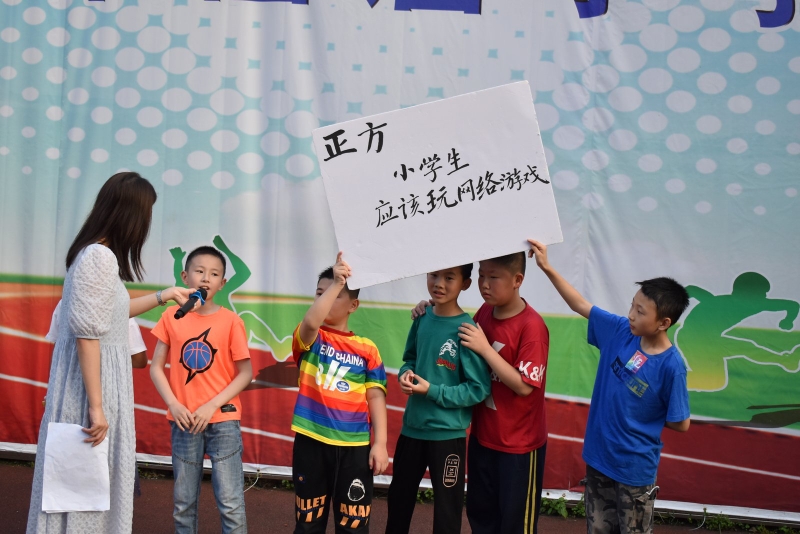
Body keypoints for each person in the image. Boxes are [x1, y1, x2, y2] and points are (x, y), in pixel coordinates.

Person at [27, 172, 196, 534]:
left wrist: (164, 295)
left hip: (96, 387)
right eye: (146, 213)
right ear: (131, 214)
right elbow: (88, 335)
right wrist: (96, 407)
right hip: (91, 389)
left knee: (84, 487)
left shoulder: (95, 255)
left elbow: (110, 315)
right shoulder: (98, 257)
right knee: (83, 488)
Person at [528, 239, 691, 534]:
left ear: (663, 322)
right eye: (632, 305)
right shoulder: (620, 331)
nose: (631, 314)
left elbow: (681, 423)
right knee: (599, 529)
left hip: (634, 470)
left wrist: (646, 413)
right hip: (599, 457)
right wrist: (547, 267)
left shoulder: (672, 366)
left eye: (641, 311)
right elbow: (580, 304)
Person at [413, 251, 550, 534]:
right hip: (482, 439)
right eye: (481, 275)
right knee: (481, 517)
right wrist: (429, 309)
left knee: (515, 525)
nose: (485, 284)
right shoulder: (484, 313)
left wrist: (486, 349)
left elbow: (524, 386)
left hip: (519, 447)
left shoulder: (532, 326)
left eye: (494, 277)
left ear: (517, 280)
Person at [150, 246, 253, 534]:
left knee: (231, 503)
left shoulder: (231, 321)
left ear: (222, 283)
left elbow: (245, 373)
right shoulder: (172, 316)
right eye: (199, 271)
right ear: (185, 277)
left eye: (214, 274)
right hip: (184, 422)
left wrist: (211, 406)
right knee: (183, 504)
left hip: (223, 421)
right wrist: (174, 404)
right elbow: (155, 367)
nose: (206, 278)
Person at [386, 264, 491, 534]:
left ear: (465, 284)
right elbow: (410, 359)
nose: (439, 283)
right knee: (398, 504)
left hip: (447, 436)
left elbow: (478, 389)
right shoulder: (421, 317)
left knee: (447, 513)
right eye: (434, 275)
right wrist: (406, 373)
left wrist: (432, 390)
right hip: (412, 430)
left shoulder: (467, 330)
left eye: (449, 278)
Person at [290, 252, 389, 533]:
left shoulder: (367, 348)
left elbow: (376, 397)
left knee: (353, 524)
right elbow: (311, 322)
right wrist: (336, 283)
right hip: (311, 441)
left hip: (355, 448)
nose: (325, 298)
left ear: (353, 305)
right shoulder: (311, 336)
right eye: (319, 294)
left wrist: (380, 443)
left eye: (335, 295)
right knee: (308, 523)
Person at [46, 300, 148, 370]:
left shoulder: (64, 303)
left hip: (70, 384)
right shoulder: (119, 305)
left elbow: (57, 354)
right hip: (106, 385)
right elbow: (139, 360)